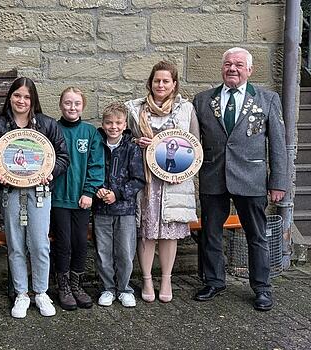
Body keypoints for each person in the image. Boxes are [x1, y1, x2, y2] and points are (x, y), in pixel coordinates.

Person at [192, 47, 289, 311]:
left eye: (238, 64)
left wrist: (278, 182)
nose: (232, 69)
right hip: (213, 177)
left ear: (249, 69)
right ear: (222, 68)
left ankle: (261, 288)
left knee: (256, 235)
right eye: (227, 64)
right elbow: (191, 142)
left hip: (252, 179)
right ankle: (213, 281)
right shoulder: (202, 100)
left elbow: (279, 145)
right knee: (210, 233)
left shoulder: (267, 99)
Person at [0, 77, 69, 319]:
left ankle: (41, 292)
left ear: (33, 100)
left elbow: (62, 156)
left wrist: (50, 173)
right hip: (10, 193)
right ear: (9, 97)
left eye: (26, 96)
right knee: (15, 245)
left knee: (40, 244)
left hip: (40, 193)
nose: (21, 101)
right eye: (17, 95)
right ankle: (22, 293)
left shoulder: (46, 125)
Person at [126, 60, 199, 303]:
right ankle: (147, 279)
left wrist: (163, 147)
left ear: (174, 84)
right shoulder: (135, 109)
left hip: (173, 180)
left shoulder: (186, 109)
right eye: (157, 80)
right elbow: (123, 141)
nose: (161, 84)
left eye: (166, 81)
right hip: (145, 179)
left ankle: (166, 279)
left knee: (169, 232)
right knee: (146, 232)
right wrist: (138, 143)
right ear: (150, 82)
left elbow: (194, 146)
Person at [50, 87, 104, 310]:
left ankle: (77, 285)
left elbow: (96, 164)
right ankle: (63, 286)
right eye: (68, 103)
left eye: (77, 103)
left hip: (82, 199)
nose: (72, 107)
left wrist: (89, 191)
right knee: (63, 242)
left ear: (83, 106)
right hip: (58, 198)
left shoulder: (90, 133)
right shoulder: (52, 129)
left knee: (80, 242)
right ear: (61, 105)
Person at [93, 102, 146, 307]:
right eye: (109, 123)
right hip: (101, 209)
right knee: (103, 252)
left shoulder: (131, 147)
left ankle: (124, 288)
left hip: (125, 210)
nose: (113, 127)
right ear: (103, 124)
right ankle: (107, 288)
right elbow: (92, 169)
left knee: (124, 251)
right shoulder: (97, 145)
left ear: (124, 124)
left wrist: (117, 194)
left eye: (118, 123)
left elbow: (138, 179)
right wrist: (97, 188)